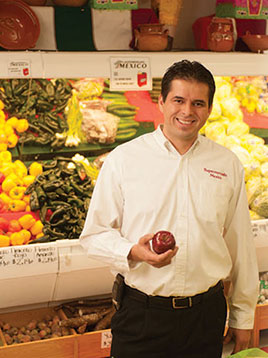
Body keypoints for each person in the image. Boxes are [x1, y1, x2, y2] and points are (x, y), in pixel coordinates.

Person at [80, 59, 259, 358]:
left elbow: (240, 245)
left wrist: (243, 316)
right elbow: (94, 236)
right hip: (142, 315)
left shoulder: (227, 164)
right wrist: (132, 252)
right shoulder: (124, 160)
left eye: (198, 103)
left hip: (206, 316)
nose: (188, 111)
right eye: (179, 100)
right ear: (161, 102)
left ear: (209, 109)